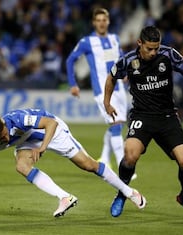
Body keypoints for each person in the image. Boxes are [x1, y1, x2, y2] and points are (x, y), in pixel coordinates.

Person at [104, 26, 183, 219]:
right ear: (139, 44)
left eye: (156, 48)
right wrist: (106, 102)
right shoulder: (128, 61)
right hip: (141, 116)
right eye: (149, 48)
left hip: (167, 116)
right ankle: (122, 194)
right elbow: (111, 78)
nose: (154, 52)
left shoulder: (169, 55)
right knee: (130, 155)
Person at [0, 108, 146, 218]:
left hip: (51, 130)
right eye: (1, 138)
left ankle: (130, 192)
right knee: (21, 166)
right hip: (28, 140)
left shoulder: (16, 120)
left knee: (88, 165)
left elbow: (51, 123)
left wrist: (42, 147)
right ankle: (65, 197)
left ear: (4, 125)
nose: (6, 139)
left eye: (5, 134)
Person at [66, 8, 137, 179]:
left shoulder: (114, 38)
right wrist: (73, 84)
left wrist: (126, 72)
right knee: (115, 124)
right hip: (102, 90)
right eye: (98, 20)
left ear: (108, 21)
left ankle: (105, 157)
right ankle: (123, 166)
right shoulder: (87, 41)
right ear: (93, 23)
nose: (101, 23)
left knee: (117, 123)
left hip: (119, 88)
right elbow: (70, 60)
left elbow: (120, 57)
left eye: (104, 20)